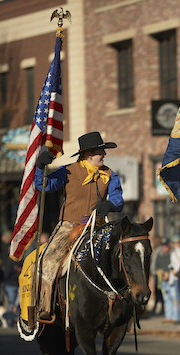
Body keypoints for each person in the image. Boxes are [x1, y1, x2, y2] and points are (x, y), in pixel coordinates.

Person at [34, 131, 124, 320]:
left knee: (124, 255)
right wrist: (40, 167)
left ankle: (127, 301)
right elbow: (45, 185)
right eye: (101, 152)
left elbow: (117, 199)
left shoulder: (110, 174)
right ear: (88, 154)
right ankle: (44, 306)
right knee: (48, 260)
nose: (104, 155)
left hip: (97, 226)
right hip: (69, 225)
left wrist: (110, 204)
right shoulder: (67, 170)